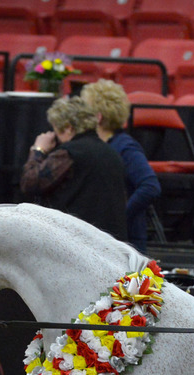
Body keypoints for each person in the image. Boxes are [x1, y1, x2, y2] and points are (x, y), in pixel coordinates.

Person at [20, 96, 128, 241]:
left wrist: (38, 150)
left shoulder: (69, 153)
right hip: (111, 239)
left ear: (69, 128)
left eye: (56, 130)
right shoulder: (111, 152)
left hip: (78, 240)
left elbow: (30, 183)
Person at [80, 79, 162, 254]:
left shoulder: (125, 147)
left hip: (126, 242)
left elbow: (150, 186)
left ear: (98, 117)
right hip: (102, 237)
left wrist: (120, 215)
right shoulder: (93, 146)